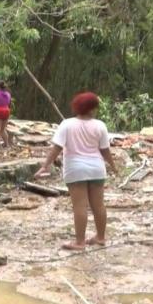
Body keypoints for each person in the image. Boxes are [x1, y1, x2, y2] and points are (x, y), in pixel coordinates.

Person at [36, 92, 117, 251]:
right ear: (92, 109)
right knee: (98, 205)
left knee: (80, 206)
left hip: (75, 169)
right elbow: (105, 150)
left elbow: (57, 147)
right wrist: (113, 166)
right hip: (96, 168)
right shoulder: (100, 125)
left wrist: (45, 165)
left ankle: (79, 242)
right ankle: (100, 237)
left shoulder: (66, 124)